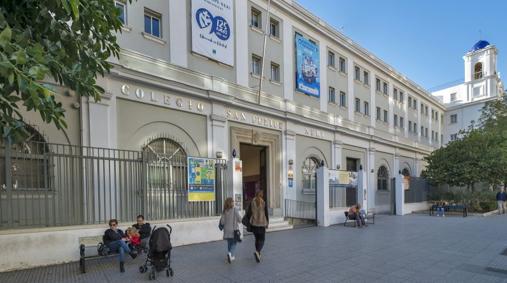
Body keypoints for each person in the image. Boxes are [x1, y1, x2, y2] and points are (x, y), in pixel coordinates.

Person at [219, 197, 242, 263]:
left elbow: (222, 222)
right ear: (231, 202)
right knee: (234, 243)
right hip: (234, 230)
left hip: (226, 230)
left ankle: (230, 256)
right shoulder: (235, 210)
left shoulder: (225, 211)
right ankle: (230, 254)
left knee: (229, 243)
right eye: (233, 201)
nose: (233, 203)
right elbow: (240, 219)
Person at [249, 190, 269, 263]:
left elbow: (248, 213)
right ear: (261, 195)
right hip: (261, 224)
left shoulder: (252, 202)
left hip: (254, 224)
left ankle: (258, 254)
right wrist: (267, 223)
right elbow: (266, 214)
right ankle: (257, 251)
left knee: (257, 239)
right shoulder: (263, 202)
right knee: (262, 239)